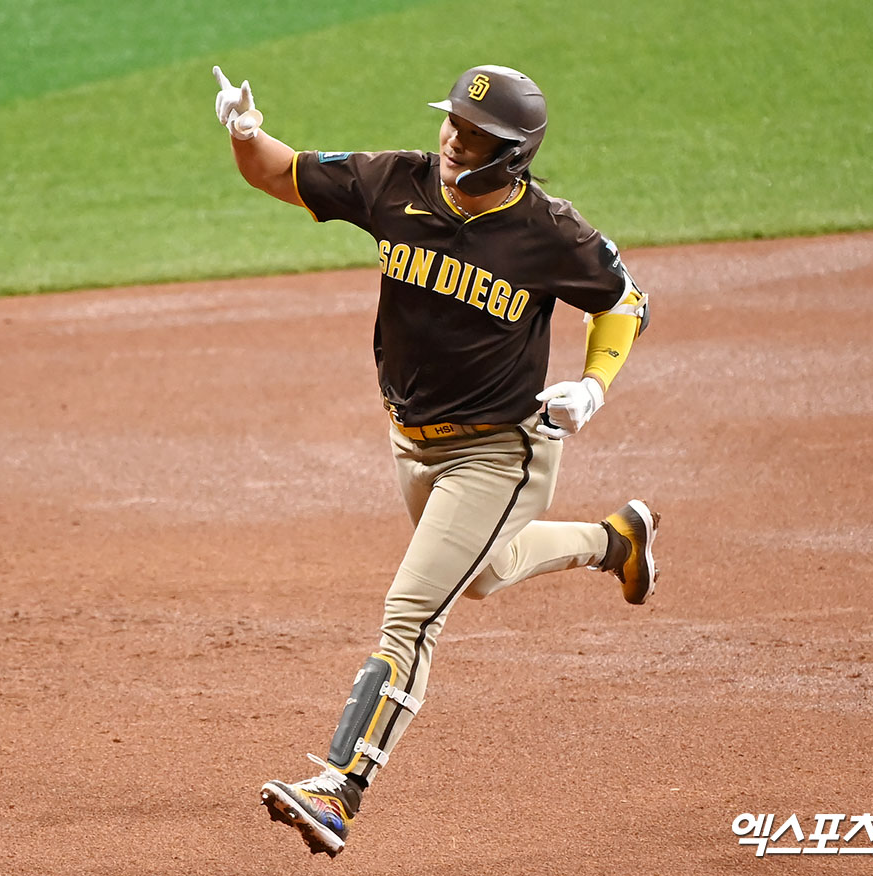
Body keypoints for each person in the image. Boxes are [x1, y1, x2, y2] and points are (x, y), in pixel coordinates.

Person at [212, 63, 660, 857]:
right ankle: (612, 541)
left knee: (413, 614)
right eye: (452, 122)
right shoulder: (396, 183)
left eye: (473, 133)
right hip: (413, 443)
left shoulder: (550, 232)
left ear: (512, 153)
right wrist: (246, 134)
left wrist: (595, 385)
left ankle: (341, 788)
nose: (452, 138)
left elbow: (624, 299)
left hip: (500, 452)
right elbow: (281, 174)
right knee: (483, 572)